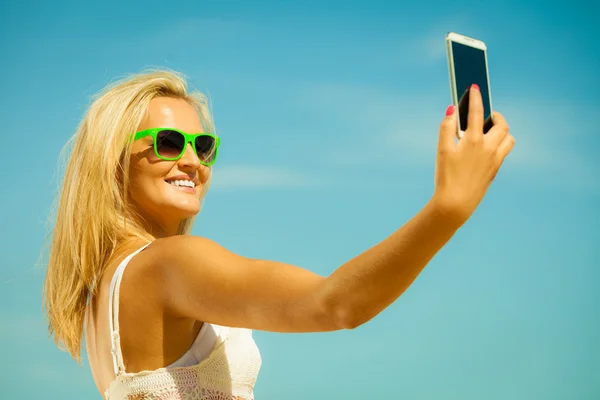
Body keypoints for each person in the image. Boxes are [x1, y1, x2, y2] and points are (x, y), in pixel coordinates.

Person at [43, 70, 514, 399]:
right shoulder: (169, 264)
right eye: (169, 143)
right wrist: (447, 209)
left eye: (203, 146)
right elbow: (335, 303)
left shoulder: (105, 290)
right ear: (113, 161)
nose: (192, 162)